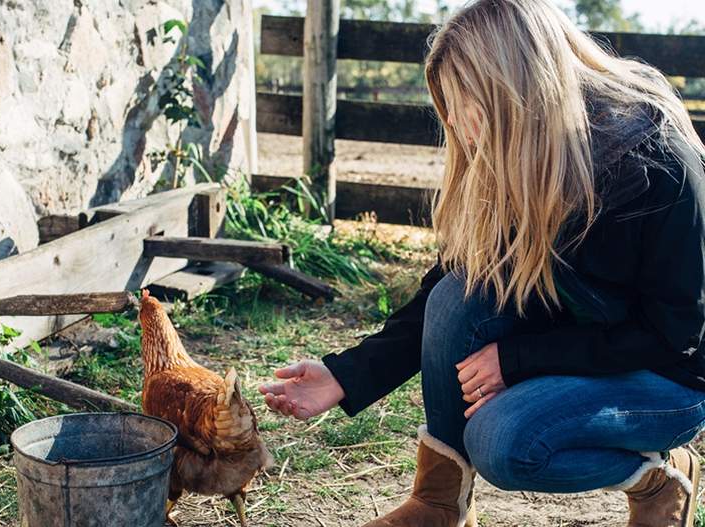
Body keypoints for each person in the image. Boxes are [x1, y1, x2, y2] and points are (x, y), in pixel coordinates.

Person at [259, 0, 705, 526]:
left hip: (668, 376)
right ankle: (439, 503)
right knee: (457, 293)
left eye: (463, 103)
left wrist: (518, 359)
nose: (454, 124)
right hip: (586, 340)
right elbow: (444, 289)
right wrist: (345, 374)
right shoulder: (519, 156)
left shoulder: (659, 167)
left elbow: (676, 334)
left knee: (504, 440)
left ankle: (659, 477)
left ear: (517, 94)